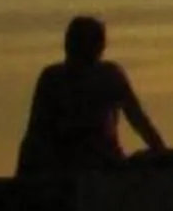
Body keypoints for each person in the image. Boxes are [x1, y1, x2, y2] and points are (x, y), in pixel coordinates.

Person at [15, 16, 163, 176]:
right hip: (68, 166)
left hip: (101, 163)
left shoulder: (108, 75)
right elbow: (36, 130)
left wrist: (162, 153)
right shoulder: (54, 78)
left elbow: (139, 120)